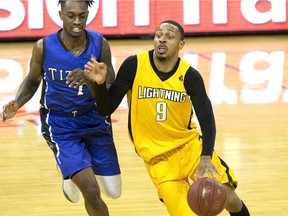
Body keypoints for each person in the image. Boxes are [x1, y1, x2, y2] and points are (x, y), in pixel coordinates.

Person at [79, 20, 251, 215]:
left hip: (190, 149)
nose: (162, 39)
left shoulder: (189, 76)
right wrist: (100, 84)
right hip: (159, 161)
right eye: (159, 35)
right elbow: (106, 109)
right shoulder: (134, 65)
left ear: (181, 44)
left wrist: (205, 156)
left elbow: (207, 119)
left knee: (228, 197)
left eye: (169, 37)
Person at [1, 0, 122, 215]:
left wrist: (91, 80)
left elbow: (109, 89)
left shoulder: (100, 43)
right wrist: (17, 103)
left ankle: (70, 174)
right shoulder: (43, 46)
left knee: (113, 191)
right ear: (61, 14)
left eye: (82, 16)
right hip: (61, 124)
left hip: (94, 119)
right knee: (91, 190)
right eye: (71, 15)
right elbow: (32, 79)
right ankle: (71, 169)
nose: (77, 21)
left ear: (87, 15)